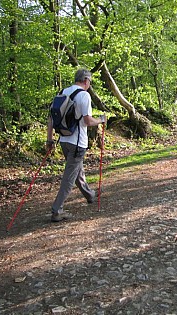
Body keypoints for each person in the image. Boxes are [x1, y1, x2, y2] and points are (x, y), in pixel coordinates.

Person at [46, 68, 106, 222]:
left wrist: (49, 139)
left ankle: (90, 195)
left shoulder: (62, 92)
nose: (89, 85)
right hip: (78, 143)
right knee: (69, 177)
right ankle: (57, 210)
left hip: (64, 141)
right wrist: (101, 120)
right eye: (89, 82)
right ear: (85, 80)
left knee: (76, 170)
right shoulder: (84, 95)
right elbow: (87, 121)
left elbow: (51, 118)